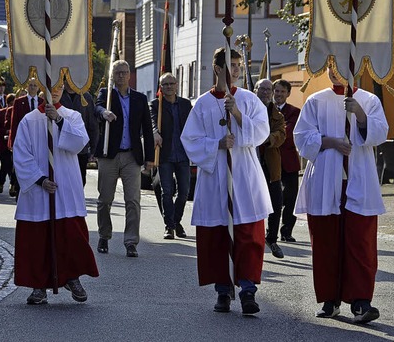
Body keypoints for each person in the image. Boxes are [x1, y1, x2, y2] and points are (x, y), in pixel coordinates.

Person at [180, 47, 272, 315]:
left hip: (243, 173)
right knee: (218, 235)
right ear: (217, 68)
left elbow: (262, 132)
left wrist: (238, 115)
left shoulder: (249, 100)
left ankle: (247, 290)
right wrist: (216, 144)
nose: (236, 70)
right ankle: (222, 290)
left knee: (247, 234)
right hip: (215, 175)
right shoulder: (202, 104)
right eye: (230, 65)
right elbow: (190, 140)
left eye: (238, 65)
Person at [294, 66, 388, 323]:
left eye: (341, 66)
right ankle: (329, 299)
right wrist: (329, 142)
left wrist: (360, 115)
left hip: (358, 179)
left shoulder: (369, 100)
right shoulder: (316, 100)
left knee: (360, 243)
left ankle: (361, 302)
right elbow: (302, 137)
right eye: (331, 66)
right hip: (326, 179)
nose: (335, 72)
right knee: (326, 241)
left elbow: (380, 133)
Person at [13, 83, 99, 305]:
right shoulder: (29, 120)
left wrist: (59, 121)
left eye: (60, 86)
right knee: (37, 238)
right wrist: (40, 179)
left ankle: (72, 277)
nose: (56, 90)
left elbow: (80, 144)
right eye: (51, 86)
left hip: (65, 184)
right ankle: (39, 285)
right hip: (40, 187)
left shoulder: (72, 116)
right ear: (42, 89)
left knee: (71, 235)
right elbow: (21, 154)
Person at [94, 60, 155, 258]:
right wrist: (105, 113)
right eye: (117, 72)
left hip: (132, 156)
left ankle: (131, 242)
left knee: (133, 201)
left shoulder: (139, 98)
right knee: (105, 200)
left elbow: (147, 128)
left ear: (130, 75)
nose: (121, 75)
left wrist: (150, 158)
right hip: (109, 155)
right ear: (113, 75)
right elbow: (98, 107)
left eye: (124, 72)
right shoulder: (107, 94)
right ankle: (104, 234)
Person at [150, 72, 192, 239]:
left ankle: (176, 221)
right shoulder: (155, 105)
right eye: (165, 84)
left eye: (171, 83)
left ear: (176, 85)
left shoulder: (186, 104)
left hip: (183, 154)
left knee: (184, 192)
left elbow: (194, 124)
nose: (168, 87)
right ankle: (170, 226)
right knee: (167, 191)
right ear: (161, 87)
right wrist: (154, 132)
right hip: (165, 154)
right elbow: (152, 121)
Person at [254, 79, 286, 259]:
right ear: (255, 90)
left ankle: (272, 239)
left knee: (276, 203)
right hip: (251, 164)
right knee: (253, 204)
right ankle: (254, 238)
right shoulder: (248, 109)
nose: (266, 92)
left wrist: (264, 137)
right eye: (262, 89)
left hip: (271, 166)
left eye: (269, 89)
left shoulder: (276, 114)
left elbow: (281, 134)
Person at [273, 79, 301, 242]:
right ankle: (272, 231)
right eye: (277, 91)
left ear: (288, 94)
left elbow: (287, 132)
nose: (279, 94)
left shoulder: (294, 112)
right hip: (270, 160)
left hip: (289, 162)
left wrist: (272, 133)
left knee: (290, 198)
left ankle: (287, 231)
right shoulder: (265, 110)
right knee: (272, 198)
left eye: (282, 92)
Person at [8, 77, 43, 199]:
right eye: (30, 85)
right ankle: (19, 193)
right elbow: (14, 123)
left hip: (38, 141)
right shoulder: (19, 102)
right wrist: (12, 142)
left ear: (39, 88)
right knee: (21, 167)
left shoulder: (43, 101)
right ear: (26, 86)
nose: (32, 87)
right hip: (23, 140)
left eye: (35, 85)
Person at [60, 79, 99, 186]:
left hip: (81, 149)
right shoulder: (59, 96)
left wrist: (93, 149)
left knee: (80, 181)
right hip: (61, 148)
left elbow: (92, 125)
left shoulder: (86, 97)